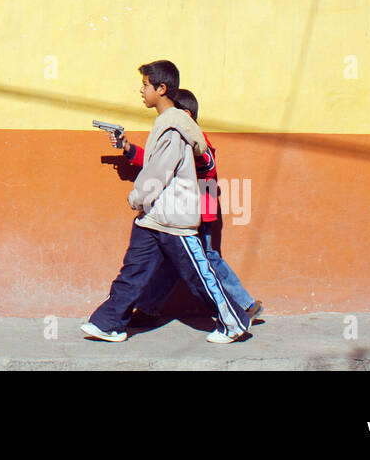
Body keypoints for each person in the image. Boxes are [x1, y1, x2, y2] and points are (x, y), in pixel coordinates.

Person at [80, 60, 252, 344]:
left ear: (161, 89)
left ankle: (233, 323)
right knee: (133, 271)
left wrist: (136, 197)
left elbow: (159, 171)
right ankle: (111, 323)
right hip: (153, 216)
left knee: (199, 276)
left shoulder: (173, 126)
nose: (141, 90)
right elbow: (154, 160)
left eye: (146, 85)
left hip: (172, 217)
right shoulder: (165, 123)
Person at [119, 88, 262, 328]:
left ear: (185, 114)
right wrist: (130, 150)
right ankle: (149, 308)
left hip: (199, 210)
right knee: (172, 262)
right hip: (182, 211)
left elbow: (207, 164)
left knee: (207, 259)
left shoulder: (196, 139)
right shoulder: (178, 138)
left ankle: (245, 305)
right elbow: (158, 161)